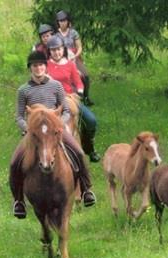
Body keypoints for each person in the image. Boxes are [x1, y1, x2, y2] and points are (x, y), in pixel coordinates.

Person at [9, 51, 96, 219]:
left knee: (78, 152)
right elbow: (19, 116)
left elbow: (65, 110)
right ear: (30, 68)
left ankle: (86, 189)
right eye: (35, 66)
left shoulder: (56, 86)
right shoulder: (23, 90)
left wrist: (59, 125)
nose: (38, 68)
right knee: (15, 162)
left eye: (41, 65)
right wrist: (28, 128)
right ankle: (18, 201)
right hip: (34, 133)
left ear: (45, 67)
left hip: (55, 131)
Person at [46, 35, 101, 163]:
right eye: (53, 50)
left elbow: (78, 82)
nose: (57, 52)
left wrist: (80, 91)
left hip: (70, 98)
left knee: (91, 120)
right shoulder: (46, 65)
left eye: (59, 49)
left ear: (63, 49)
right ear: (50, 51)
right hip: (52, 100)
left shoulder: (70, 64)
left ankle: (89, 148)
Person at [55, 10, 94, 106]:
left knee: (85, 75)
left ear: (68, 21)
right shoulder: (56, 35)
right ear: (58, 22)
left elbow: (79, 47)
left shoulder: (73, 33)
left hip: (74, 58)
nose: (62, 23)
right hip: (62, 58)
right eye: (60, 21)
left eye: (64, 20)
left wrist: (76, 56)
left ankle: (86, 96)